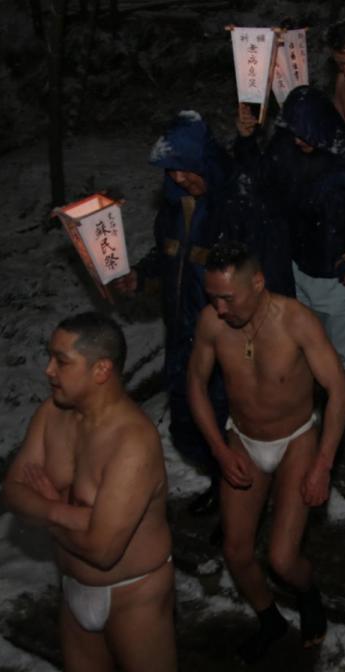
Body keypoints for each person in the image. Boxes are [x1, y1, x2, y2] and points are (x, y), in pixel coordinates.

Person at [3, 313, 213, 672]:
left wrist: (49, 507)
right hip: (74, 588)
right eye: (50, 358)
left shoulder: (132, 440)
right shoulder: (51, 415)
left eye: (61, 360)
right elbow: (12, 493)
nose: (48, 371)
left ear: (101, 370)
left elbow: (103, 549)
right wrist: (71, 512)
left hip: (132, 594)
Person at [187, 241, 345, 662]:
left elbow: (338, 392)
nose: (219, 309)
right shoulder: (212, 323)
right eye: (212, 298)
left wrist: (323, 465)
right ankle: (270, 620)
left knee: (281, 559)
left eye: (227, 298)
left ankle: (308, 592)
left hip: (295, 439)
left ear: (257, 283)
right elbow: (195, 387)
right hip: (243, 439)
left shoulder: (297, 321)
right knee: (236, 552)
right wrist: (220, 452)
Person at [234, 86, 345, 371]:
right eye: (294, 131)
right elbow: (257, 184)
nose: (299, 139)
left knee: (341, 349)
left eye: (305, 132)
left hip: (340, 270)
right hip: (298, 265)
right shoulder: (284, 146)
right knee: (306, 340)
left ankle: (340, 396)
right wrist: (247, 141)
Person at [143, 111, 234, 518]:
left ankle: (236, 500)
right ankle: (221, 481)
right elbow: (164, 258)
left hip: (221, 341)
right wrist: (139, 276)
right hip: (180, 335)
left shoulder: (233, 208)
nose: (178, 177)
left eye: (185, 167)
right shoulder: (171, 210)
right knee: (186, 423)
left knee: (223, 423)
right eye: (171, 170)